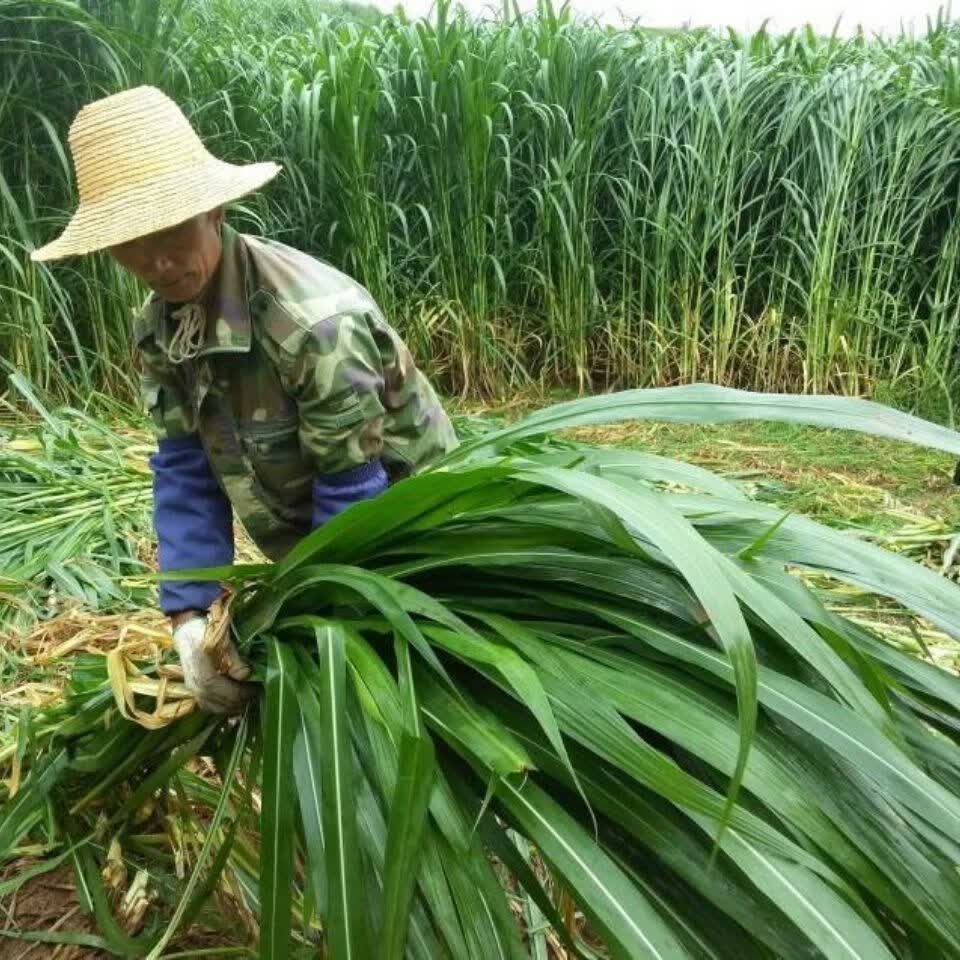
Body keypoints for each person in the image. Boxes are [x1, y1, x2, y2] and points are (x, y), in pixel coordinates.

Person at [31, 86, 458, 713]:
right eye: (131, 242)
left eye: (170, 230)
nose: (157, 262)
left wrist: (310, 622)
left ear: (215, 211)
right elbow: (185, 465)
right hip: (311, 541)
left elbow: (353, 491)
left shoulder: (311, 325)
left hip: (413, 540)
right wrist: (191, 613)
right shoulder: (160, 329)